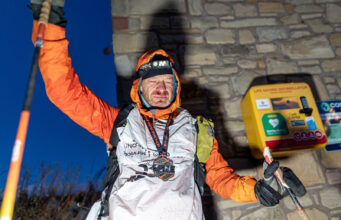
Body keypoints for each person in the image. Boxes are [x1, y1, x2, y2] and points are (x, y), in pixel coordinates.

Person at [29, 2, 306, 219]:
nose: (161, 88)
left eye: (167, 82)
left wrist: (258, 190)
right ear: (139, 87)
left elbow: (222, 178)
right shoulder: (117, 122)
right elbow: (64, 92)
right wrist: (51, 29)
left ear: (176, 89)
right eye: (153, 82)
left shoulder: (196, 129)